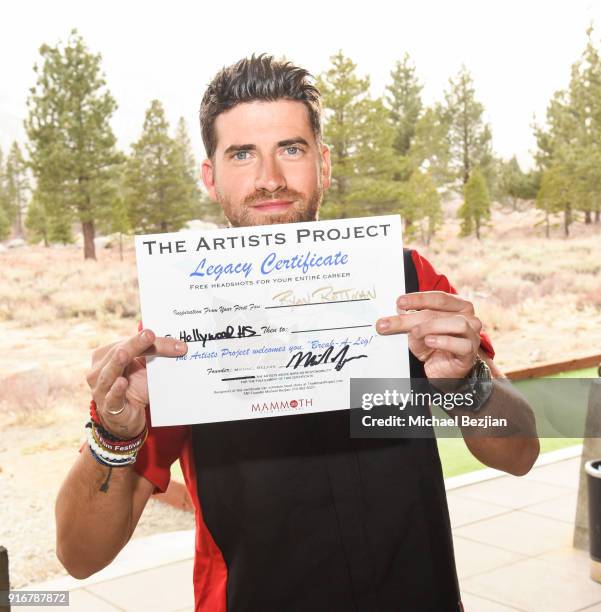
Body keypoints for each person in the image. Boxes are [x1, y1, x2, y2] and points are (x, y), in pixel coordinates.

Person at [56, 55, 539, 612]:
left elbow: (520, 451)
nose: (270, 180)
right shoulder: (172, 333)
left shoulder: (407, 283)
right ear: (210, 175)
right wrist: (115, 434)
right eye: (242, 154)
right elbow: (80, 557)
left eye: (291, 148)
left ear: (324, 165)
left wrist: (466, 382)